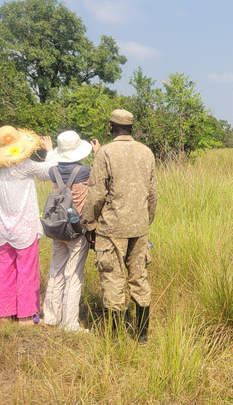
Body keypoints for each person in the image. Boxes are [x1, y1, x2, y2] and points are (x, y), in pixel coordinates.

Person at [81, 109, 157, 343]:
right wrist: (146, 220)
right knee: (139, 278)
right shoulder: (146, 152)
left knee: (113, 279)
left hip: (112, 228)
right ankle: (142, 335)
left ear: (111, 127)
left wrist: (89, 223)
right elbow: (152, 194)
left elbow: (96, 194)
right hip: (139, 227)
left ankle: (115, 338)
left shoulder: (105, 152)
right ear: (132, 128)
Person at [0, 126, 55, 326]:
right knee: (27, 270)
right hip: (25, 227)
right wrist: (49, 151)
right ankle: (25, 315)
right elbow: (48, 172)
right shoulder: (23, 165)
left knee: (5, 269)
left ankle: (6, 313)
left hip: (3, 227)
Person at [41, 130, 97, 332]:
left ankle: (51, 316)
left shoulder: (52, 172)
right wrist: (98, 153)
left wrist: (48, 152)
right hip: (76, 230)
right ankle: (70, 324)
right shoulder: (85, 171)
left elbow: (49, 165)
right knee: (73, 276)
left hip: (57, 227)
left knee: (55, 271)